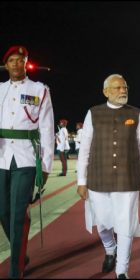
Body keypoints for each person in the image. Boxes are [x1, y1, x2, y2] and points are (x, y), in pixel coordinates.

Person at [76, 74, 140, 279]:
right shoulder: (93, 113)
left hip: (128, 179)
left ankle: (122, 270)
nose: (123, 91)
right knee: (102, 223)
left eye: (125, 87)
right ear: (106, 91)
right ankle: (110, 248)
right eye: (117, 88)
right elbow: (85, 149)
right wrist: (81, 181)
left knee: (125, 223)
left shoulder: (136, 114)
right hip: (98, 178)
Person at [0, 45, 55, 278]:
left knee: (18, 213)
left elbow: (46, 127)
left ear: (26, 63)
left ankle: (16, 270)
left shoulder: (39, 90)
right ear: (6, 65)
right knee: (3, 211)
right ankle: (21, 253)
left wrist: (45, 166)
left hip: (26, 158)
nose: (15, 64)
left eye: (19, 60)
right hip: (1, 157)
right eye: (11, 60)